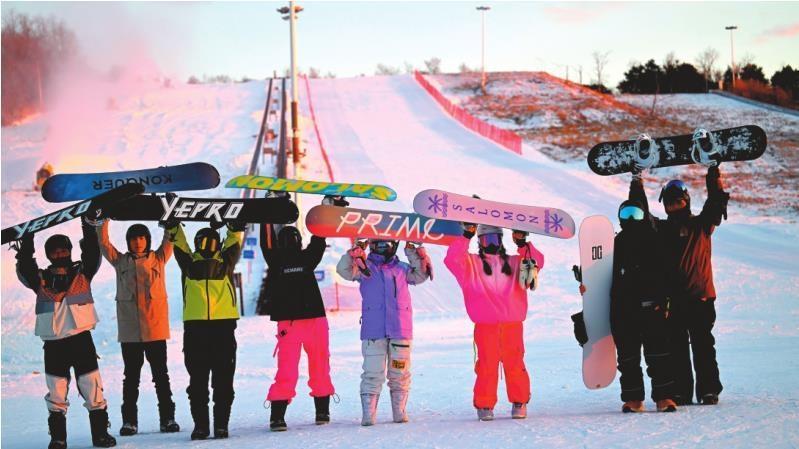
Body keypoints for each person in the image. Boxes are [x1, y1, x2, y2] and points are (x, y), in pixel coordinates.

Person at [631, 165, 729, 405]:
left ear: (686, 201)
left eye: (677, 202)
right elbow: (641, 213)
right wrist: (636, 181)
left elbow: (716, 202)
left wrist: (713, 171)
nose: (674, 207)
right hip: (672, 301)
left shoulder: (702, 225)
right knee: (676, 348)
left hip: (700, 297)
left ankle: (708, 390)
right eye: (669, 204)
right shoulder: (661, 229)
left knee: (703, 345)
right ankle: (681, 391)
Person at [14, 219, 117, 449]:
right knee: (56, 392)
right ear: (49, 255)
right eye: (55, 251)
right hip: (54, 344)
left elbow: (92, 252)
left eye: (63, 249)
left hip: (81, 339)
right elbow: (24, 268)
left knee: (92, 388)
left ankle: (100, 435)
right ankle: (58, 439)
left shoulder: (83, 272)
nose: (60, 253)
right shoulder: (39, 279)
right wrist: (27, 243)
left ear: (70, 251)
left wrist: (88, 226)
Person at [444, 223, 544, 421]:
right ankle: (485, 403)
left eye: (495, 239)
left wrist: (522, 243)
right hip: (485, 326)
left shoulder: (516, 263)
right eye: (486, 240)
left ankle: (519, 401)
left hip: (512, 325)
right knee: (487, 366)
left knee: (515, 363)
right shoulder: (470, 264)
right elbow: (451, 259)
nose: (491, 244)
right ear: (480, 242)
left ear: (501, 241)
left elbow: (537, 261)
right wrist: (466, 236)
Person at [95, 219, 179, 435]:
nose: (138, 242)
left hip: (155, 330)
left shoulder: (158, 259)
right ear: (128, 242)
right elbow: (104, 244)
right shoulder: (120, 261)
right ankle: (129, 421)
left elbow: (170, 240)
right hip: (130, 333)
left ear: (147, 240)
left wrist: (171, 223)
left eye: (142, 238)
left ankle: (168, 419)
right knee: (131, 378)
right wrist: (102, 221)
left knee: (161, 375)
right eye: (133, 239)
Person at [336, 239, 433, 426]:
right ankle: (368, 414)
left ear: (393, 245)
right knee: (372, 373)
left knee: (400, 372)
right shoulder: (364, 268)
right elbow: (343, 271)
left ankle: (399, 411)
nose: (382, 248)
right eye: (377, 244)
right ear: (371, 245)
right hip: (374, 330)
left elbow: (421, 275)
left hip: (400, 330)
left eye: (386, 244)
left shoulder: (403, 269)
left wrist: (413, 251)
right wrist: (353, 253)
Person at [167, 221, 245, 440]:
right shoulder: (189, 262)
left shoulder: (226, 261)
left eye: (212, 241)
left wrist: (235, 226)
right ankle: (201, 426)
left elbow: (233, 240)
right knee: (198, 381)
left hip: (223, 326)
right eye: (203, 241)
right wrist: (173, 227)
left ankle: (221, 425)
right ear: (197, 243)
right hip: (196, 328)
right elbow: (179, 243)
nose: (208, 245)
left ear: (217, 244)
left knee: (223, 380)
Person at [262, 215, 334, 432]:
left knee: (319, 366)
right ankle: (279, 416)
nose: (290, 242)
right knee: (288, 370)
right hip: (293, 324)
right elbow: (268, 242)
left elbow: (318, 240)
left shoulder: (302, 258)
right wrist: (265, 215)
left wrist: (327, 211)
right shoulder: (277, 260)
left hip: (311, 321)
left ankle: (321, 411)